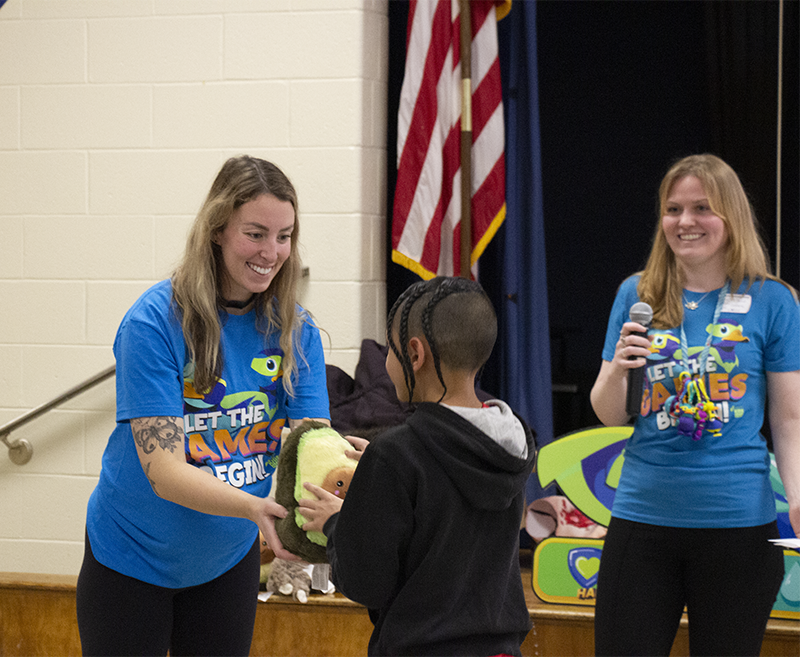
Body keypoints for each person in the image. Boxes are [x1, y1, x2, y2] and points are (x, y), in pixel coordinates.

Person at [76, 155, 331, 657]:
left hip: (225, 560)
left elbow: (312, 445)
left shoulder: (296, 329)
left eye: (284, 236)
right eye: (255, 233)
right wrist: (258, 510)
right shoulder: (153, 323)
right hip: (131, 558)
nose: (272, 252)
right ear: (217, 229)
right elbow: (165, 473)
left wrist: (321, 512)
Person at [590, 153, 800, 657]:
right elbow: (609, 412)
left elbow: (789, 418)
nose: (685, 222)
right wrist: (619, 367)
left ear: (731, 217)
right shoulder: (636, 294)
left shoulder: (773, 301)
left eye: (702, 208)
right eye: (673, 209)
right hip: (644, 519)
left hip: (737, 528)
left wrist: (798, 496)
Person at [299, 276, 536, 657]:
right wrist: (377, 481)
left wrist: (338, 521)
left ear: (414, 354)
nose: (387, 362)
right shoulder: (512, 440)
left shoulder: (396, 454)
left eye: (388, 350)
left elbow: (366, 583)